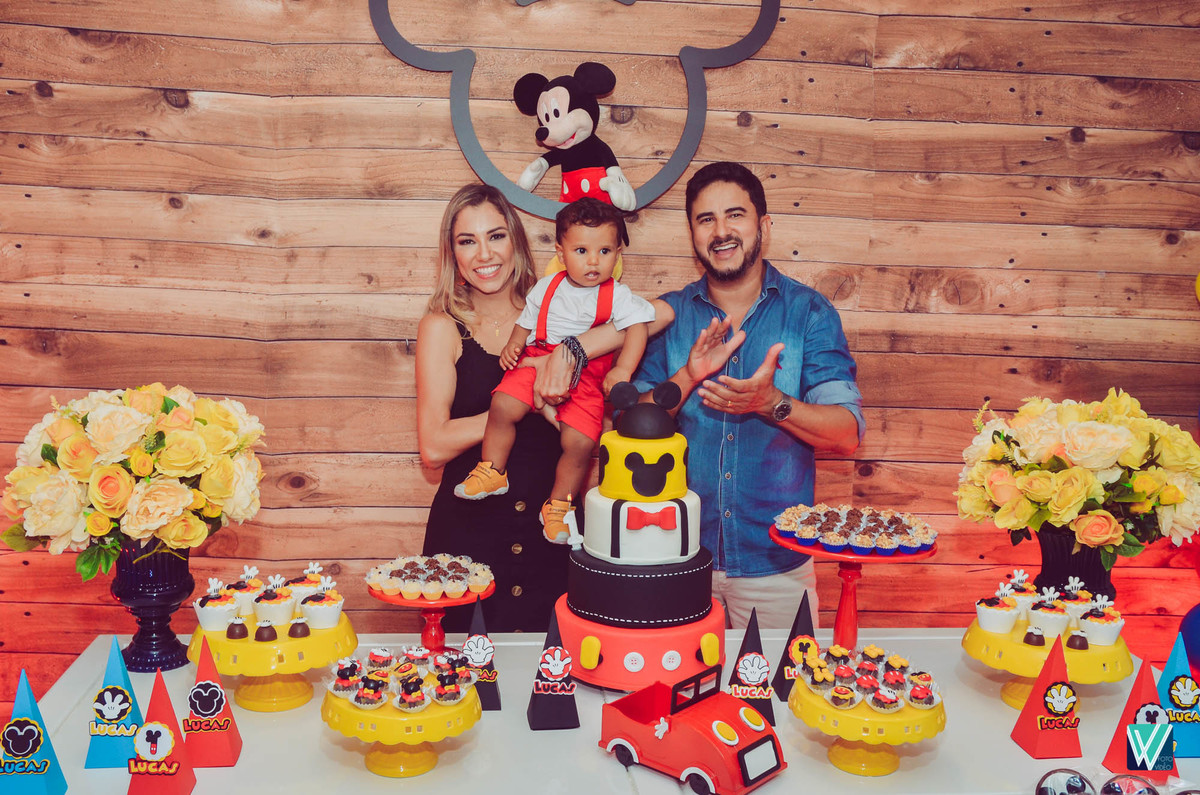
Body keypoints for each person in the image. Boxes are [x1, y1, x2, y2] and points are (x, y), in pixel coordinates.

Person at [632, 161, 866, 629]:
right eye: (706, 219)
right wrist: (688, 375)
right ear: (692, 235)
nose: (721, 231)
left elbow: (846, 433)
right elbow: (626, 427)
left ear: (764, 226)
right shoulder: (668, 315)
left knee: (782, 680)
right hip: (675, 558)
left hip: (776, 566)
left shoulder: (809, 313)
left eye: (735, 215)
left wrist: (771, 403)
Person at [453, 198, 656, 543]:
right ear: (561, 253)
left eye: (605, 251)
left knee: (580, 443)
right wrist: (515, 344)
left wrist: (623, 368)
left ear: (618, 254)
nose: (594, 261)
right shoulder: (547, 287)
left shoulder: (618, 296)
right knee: (502, 404)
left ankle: (559, 505)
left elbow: (638, 327)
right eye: (581, 251)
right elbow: (527, 321)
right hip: (537, 356)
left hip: (587, 377)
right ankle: (493, 469)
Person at [415, 183, 569, 632]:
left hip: (549, 538)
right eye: (468, 241)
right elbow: (433, 447)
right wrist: (518, 402)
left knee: (554, 670)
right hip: (467, 545)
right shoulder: (442, 327)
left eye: (496, 236)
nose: (485, 254)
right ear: (453, 254)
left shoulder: (561, 316)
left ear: (516, 241)